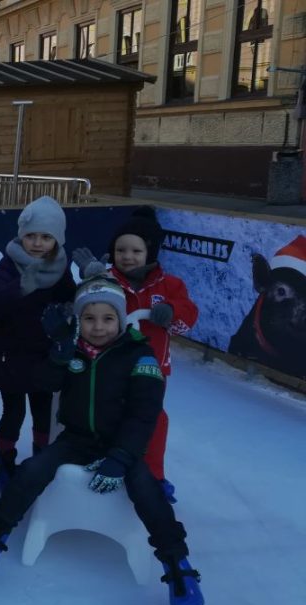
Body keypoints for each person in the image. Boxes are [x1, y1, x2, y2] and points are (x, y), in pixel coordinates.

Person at [0, 273, 205, 605]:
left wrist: (121, 457)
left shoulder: (140, 355)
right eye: (89, 318)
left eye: (108, 318)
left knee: (147, 490)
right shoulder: (73, 351)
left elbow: (144, 414)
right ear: (79, 320)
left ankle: (177, 567)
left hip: (121, 445)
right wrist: (59, 356)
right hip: (75, 440)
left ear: (121, 320)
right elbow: (43, 384)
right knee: (33, 470)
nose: (98, 327)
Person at [73, 206, 198, 502]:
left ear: (150, 252)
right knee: (109, 413)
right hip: (111, 364)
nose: (127, 256)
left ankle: (154, 475)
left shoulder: (169, 286)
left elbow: (188, 316)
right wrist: (91, 278)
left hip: (151, 367)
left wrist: (171, 312)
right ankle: (104, 461)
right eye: (121, 250)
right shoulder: (109, 280)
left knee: (151, 418)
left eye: (135, 250)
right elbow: (83, 306)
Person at [0, 196, 76, 491]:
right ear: (21, 236)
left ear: (57, 240)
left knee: (43, 414)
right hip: (11, 355)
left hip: (44, 357)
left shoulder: (60, 269)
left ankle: (41, 460)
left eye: (46, 237)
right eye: (31, 236)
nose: (37, 243)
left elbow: (72, 302)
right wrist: (21, 286)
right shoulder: (10, 265)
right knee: (13, 413)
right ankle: (4, 460)